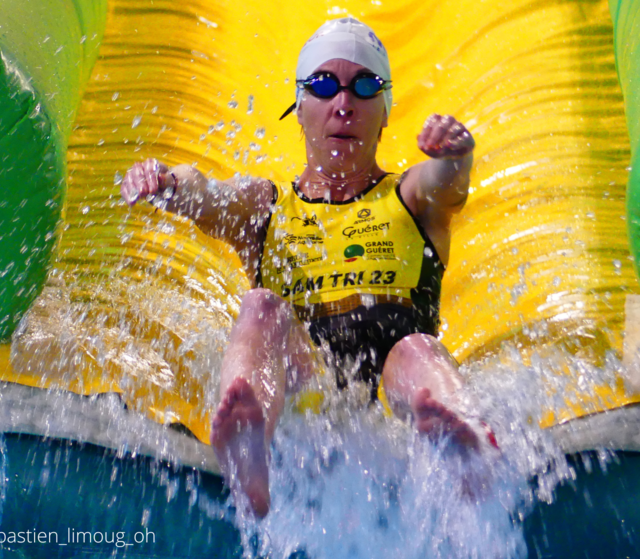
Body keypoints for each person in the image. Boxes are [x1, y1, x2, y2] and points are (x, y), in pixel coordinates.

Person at [121, 17, 498, 518]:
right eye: (324, 85)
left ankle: (462, 440)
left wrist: (458, 154)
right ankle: (248, 442)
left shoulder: (410, 196)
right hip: (305, 401)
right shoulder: (267, 207)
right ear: (300, 108)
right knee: (261, 307)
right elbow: (209, 194)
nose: (344, 104)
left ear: (384, 112)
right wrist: (168, 184)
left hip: (394, 403)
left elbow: (448, 183)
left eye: (364, 86)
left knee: (415, 350)